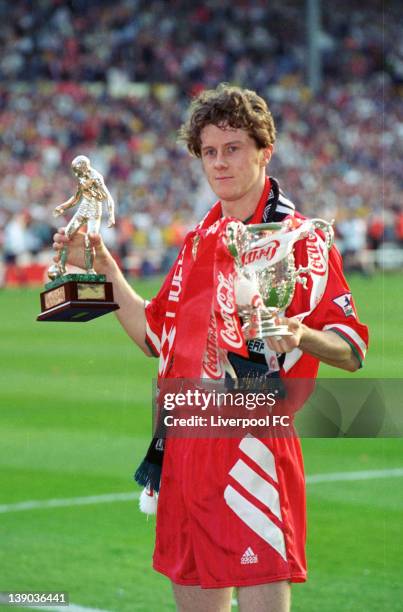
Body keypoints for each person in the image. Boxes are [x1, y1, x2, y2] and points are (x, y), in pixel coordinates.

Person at [52, 84, 368, 612]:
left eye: (234, 148)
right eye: (210, 151)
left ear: (264, 151)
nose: (220, 163)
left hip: (250, 444)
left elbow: (352, 347)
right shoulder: (199, 240)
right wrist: (104, 268)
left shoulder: (299, 240)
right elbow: (154, 337)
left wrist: (300, 334)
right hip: (182, 444)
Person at [49, 155, 115, 278]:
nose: (76, 173)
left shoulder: (96, 178)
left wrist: (111, 216)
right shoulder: (81, 179)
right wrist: (62, 207)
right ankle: (61, 266)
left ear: (83, 167)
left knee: (89, 240)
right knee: (66, 236)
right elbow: (76, 198)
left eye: (77, 170)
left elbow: (108, 197)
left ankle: (90, 270)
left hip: (94, 212)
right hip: (83, 209)